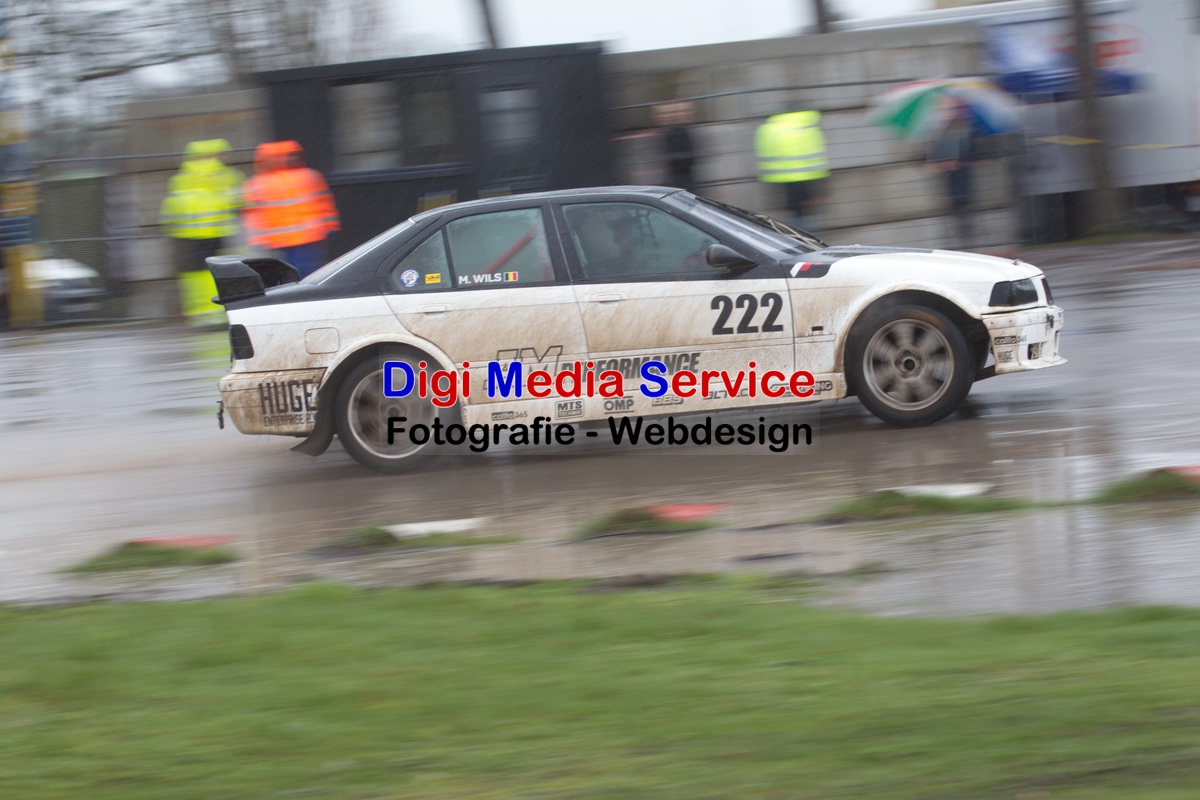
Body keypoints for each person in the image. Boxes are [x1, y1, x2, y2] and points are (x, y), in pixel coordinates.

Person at [159, 139, 243, 320]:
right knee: (217, 271)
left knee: (194, 275)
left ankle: (199, 311)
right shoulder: (225, 175)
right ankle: (217, 310)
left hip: (186, 236)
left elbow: (170, 209)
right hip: (216, 233)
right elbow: (238, 200)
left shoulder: (180, 178)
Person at [242, 140, 340, 278]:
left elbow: (252, 214)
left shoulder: (255, 183)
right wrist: (330, 225)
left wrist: (256, 238)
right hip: (305, 237)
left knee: (287, 276)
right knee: (309, 275)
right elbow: (324, 202)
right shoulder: (310, 176)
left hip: (283, 240)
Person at [755, 110, 829, 237]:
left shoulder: (768, 128)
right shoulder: (806, 127)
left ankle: (798, 238)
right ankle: (808, 240)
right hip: (805, 178)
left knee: (794, 214)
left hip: (779, 179)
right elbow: (816, 158)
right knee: (804, 215)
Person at [927, 101, 980, 248]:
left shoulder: (967, 131)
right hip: (949, 177)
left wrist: (960, 162)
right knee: (955, 208)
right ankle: (957, 238)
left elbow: (973, 154)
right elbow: (936, 154)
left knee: (964, 206)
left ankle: (966, 235)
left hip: (963, 176)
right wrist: (943, 163)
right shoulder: (942, 132)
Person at [652, 101, 697, 192]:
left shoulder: (677, 132)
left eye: (663, 113)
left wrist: (670, 161)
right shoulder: (669, 132)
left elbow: (686, 159)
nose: (660, 116)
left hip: (680, 182)